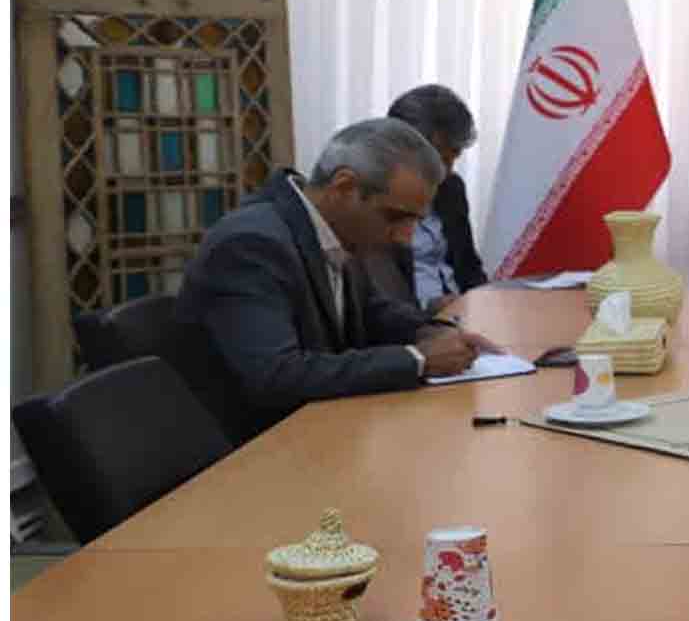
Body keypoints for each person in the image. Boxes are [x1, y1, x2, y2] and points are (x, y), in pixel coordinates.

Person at [172, 119, 489, 440]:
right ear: (344, 188)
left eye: (415, 221)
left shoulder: (330, 228)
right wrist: (417, 360)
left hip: (320, 429)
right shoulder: (250, 244)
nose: (405, 238)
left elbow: (369, 312)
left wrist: (430, 331)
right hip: (252, 447)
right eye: (396, 217)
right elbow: (276, 375)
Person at [381, 83, 490, 304]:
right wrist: (428, 312)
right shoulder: (373, 196)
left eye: (453, 158)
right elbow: (373, 300)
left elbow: (469, 266)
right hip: (409, 320)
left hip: (460, 312)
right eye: (440, 159)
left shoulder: (451, 188)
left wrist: (485, 304)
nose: (445, 171)